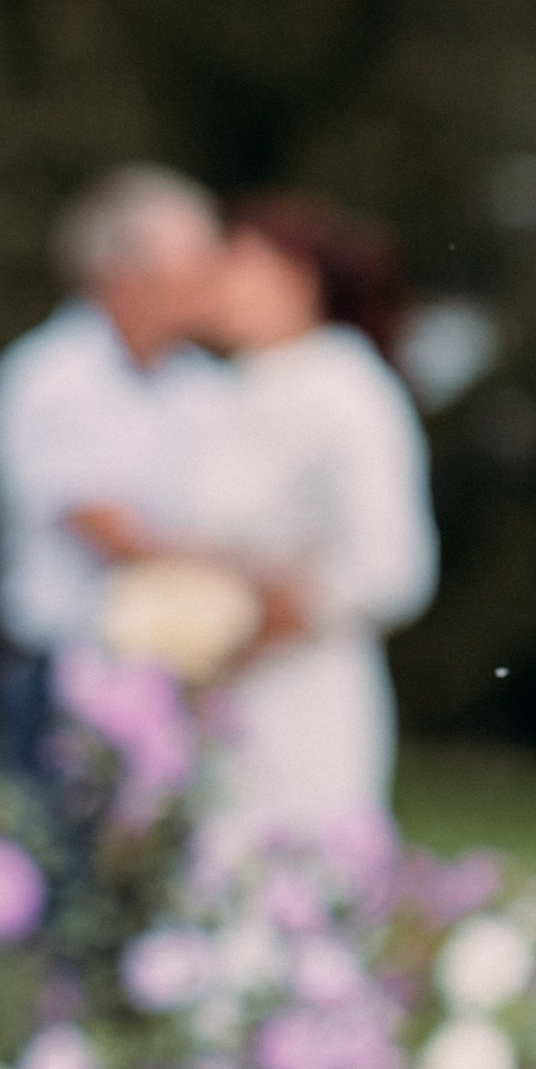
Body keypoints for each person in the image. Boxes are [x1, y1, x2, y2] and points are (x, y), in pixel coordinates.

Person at [183, 193, 438, 841]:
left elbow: (395, 564)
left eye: (238, 263)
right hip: (213, 697)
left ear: (297, 280)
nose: (218, 281)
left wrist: (273, 616)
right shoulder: (223, 390)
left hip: (307, 692)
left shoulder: (350, 390)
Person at [0, 166, 227, 782]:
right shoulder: (48, 378)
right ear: (126, 278)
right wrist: (245, 569)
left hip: (176, 676)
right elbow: (109, 531)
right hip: (59, 673)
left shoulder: (203, 385)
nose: (213, 280)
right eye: (196, 263)